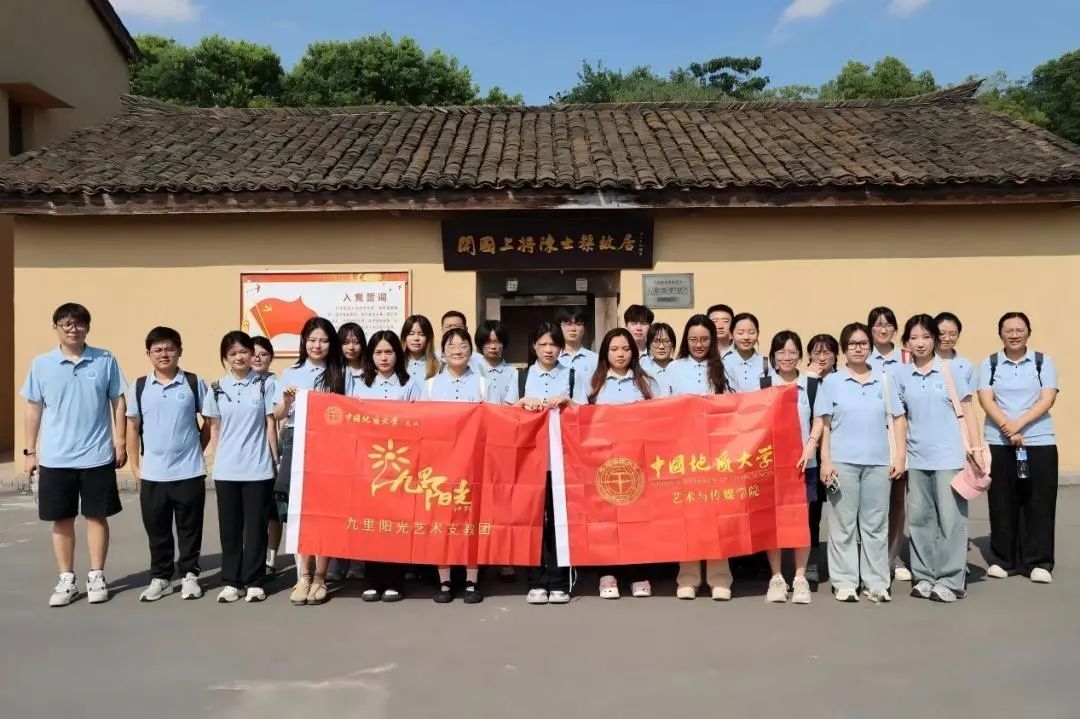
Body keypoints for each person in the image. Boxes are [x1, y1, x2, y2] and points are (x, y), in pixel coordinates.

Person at [21, 303, 128, 607]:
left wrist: (120, 441)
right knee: (62, 519)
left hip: (97, 455)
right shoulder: (42, 364)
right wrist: (30, 451)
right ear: (55, 327)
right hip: (56, 458)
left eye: (79, 323)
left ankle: (96, 575)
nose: (73, 329)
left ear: (87, 328)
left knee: (97, 517)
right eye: (66, 324)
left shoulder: (105, 359)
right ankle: (67, 579)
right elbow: (33, 408)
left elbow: (118, 400)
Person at [814, 322, 906, 603]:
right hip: (842, 463)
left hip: (878, 463)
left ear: (870, 347)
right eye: (852, 344)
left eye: (863, 343)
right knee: (843, 525)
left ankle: (876, 581)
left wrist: (899, 457)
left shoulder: (884, 380)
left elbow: (898, 419)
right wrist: (825, 461)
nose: (858, 348)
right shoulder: (832, 382)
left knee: (875, 524)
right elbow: (824, 424)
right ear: (844, 348)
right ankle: (844, 581)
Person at [894, 315, 983, 603]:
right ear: (906, 342)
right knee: (920, 520)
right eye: (914, 338)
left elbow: (968, 411)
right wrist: (901, 457)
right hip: (918, 458)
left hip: (949, 458)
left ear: (935, 339)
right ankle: (924, 576)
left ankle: (951, 580)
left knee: (951, 520)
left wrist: (977, 449)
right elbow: (900, 419)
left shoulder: (951, 370)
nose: (920, 343)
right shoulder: (901, 375)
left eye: (926, 337)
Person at [126, 326, 211, 602]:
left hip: (189, 471)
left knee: (190, 528)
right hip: (153, 474)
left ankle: (190, 575)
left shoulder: (194, 382)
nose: (164, 354)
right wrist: (135, 467)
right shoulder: (140, 386)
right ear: (149, 354)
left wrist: (196, 449)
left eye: (169, 349)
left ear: (179, 351)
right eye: (158, 350)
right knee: (157, 530)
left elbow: (209, 422)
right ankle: (161, 577)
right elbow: (132, 427)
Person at [977, 312, 1060, 584]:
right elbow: (986, 400)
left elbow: (1047, 399)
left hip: (1038, 440)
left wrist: (1018, 426)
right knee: (1002, 500)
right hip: (999, 442)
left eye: (1019, 329)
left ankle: (1038, 562)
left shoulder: (1043, 362)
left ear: (1028, 332)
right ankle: (1003, 560)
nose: (1014, 335)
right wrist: (1007, 428)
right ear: (1000, 334)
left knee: (1039, 501)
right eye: (1008, 330)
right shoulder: (989, 363)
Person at [273, 317, 347, 606]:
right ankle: (303, 577)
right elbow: (277, 415)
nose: (318, 345)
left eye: (324, 340)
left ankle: (320, 577)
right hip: (296, 441)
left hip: (330, 445)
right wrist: (287, 401)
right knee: (299, 512)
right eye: (313, 340)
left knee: (323, 511)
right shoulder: (290, 373)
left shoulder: (341, 373)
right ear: (304, 341)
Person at [425, 328, 500, 604]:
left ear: (471, 350)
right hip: (439, 466)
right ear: (442, 352)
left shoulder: (483, 384)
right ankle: (444, 581)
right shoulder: (430, 386)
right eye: (451, 345)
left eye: (463, 345)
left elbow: (496, 421)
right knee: (441, 521)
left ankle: (472, 580)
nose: (457, 350)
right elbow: (422, 425)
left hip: (474, 464)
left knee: (471, 520)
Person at [204, 331, 279, 603]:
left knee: (256, 528)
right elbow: (214, 429)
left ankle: (255, 581)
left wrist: (275, 459)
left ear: (251, 354)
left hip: (258, 468)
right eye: (233, 353)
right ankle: (231, 581)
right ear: (225, 357)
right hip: (227, 470)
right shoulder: (216, 388)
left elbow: (271, 423)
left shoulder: (265, 384)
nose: (239, 357)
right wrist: (215, 461)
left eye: (244, 351)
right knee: (230, 529)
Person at [588, 328, 661, 599]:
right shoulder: (592, 383)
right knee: (606, 519)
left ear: (634, 352)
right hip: (602, 463)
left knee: (638, 520)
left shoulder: (647, 382)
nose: (620, 354)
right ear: (605, 353)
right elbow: (579, 419)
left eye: (626, 349)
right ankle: (607, 573)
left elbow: (661, 418)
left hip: (639, 462)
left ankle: (638, 572)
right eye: (615, 349)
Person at [517, 321, 587, 605]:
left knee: (559, 522)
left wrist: (568, 403)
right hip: (528, 463)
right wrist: (522, 403)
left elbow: (586, 415)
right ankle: (535, 581)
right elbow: (505, 415)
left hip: (562, 463)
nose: (549, 350)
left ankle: (559, 581)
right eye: (543, 344)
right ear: (533, 346)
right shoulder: (520, 377)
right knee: (531, 521)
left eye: (554, 344)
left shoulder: (572, 374)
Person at [351, 330, 423, 602]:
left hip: (400, 462)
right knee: (371, 522)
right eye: (378, 352)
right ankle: (372, 579)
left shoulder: (410, 384)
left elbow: (421, 421)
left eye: (389, 352)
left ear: (398, 355)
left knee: (396, 523)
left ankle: (395, 580)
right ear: (371, 356)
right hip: (369, 462)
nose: (384, 357)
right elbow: (353, 420)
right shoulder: (361, 385)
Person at [670, 315, 733, 600]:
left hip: (717, 451)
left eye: (704, 339)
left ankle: (720, 577)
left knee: (718, 515)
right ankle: (688, 577)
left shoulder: (725, 366)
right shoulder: (674, 368)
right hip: (684, 451)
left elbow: (737, 405)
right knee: (688, 516)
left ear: (713, 340)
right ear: (686, 340)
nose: (698, 344)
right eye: (693, 339)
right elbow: (662, 407)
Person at [764, 330, 816, 605]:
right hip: (771, 465)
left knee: (801, 521)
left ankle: (799, 578)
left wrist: (811, 446)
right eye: (781, 352)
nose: (787, 357)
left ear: (800, 355)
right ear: (773, 356)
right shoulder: (764, 385)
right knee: (773, 520)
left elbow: (820, 420)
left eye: (792, 351)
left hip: (803, 464)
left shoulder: (811, 384)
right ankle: (776, 577)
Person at [867, 305, 912, 583]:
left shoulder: (907, 357)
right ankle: (869, 555)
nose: (883, 329)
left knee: (896, 501)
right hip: (869, 435)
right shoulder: (861, 355)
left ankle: (892, 557)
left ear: (895, 329)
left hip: (898, 433)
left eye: (888, 324)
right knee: (871, 502)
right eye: (877, 324)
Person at [328, 322, 368, 583]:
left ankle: (358, 562)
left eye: (355, 341)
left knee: (360, 507)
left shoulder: (371, 373)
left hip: (365, 449)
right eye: (345, 342)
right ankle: (334, 562)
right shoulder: (332, 372)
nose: (351, 347)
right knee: (336, 507)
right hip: (337, 449)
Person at [804, 333, 839, 583]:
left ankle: (842, 562)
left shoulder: (842, 380)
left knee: (842, 510)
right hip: (814, 454)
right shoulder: (806, 381)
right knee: (813, 512)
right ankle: (812, 560)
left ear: (836, 355)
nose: (822, 357)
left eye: (827, 352)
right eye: (817, 352)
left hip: (841, 452)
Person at [250, 336, 282, 576]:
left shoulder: (276, 383)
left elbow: (275, 423)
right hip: (246, 457)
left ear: (271, 357)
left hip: (270, 455)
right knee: (250, 513)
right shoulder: (237, 384)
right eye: (254, 354)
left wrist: (276, 458)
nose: (258, 358)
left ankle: (270, 559)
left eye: (263, 354)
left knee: (273, 512)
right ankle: (252, 556)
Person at [724, 312, 775, 392]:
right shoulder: (722, 363)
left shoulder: (767, 363)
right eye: (740, 333)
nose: (746, 337)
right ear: (731, 334)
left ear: (758, 333)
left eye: (751, 332)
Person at [935, 312, 975, 388]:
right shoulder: (922, 362)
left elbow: (971, 393)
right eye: (941, 333)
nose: (947, 338)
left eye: (952, 334)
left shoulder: (966, 365)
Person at [557, 306, 598, 378]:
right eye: (568, 324)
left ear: (584, 328)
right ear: (559, 327)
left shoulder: (595, 359)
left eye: (578, 324)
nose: (573, 329)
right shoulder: (553, 358)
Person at [639, 322, 677, 396]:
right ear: (649, 345)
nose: (661, 347)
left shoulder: (680, 369)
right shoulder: (642, 371)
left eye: (666, 341)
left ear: (672, 344)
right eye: (656, 341)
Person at [401, 315, 440, 381]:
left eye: (421, 334)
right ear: (404, 337)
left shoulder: (438, 366)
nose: (416, 338)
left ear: (428, 339)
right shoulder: (395, 364)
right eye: (411, 334)